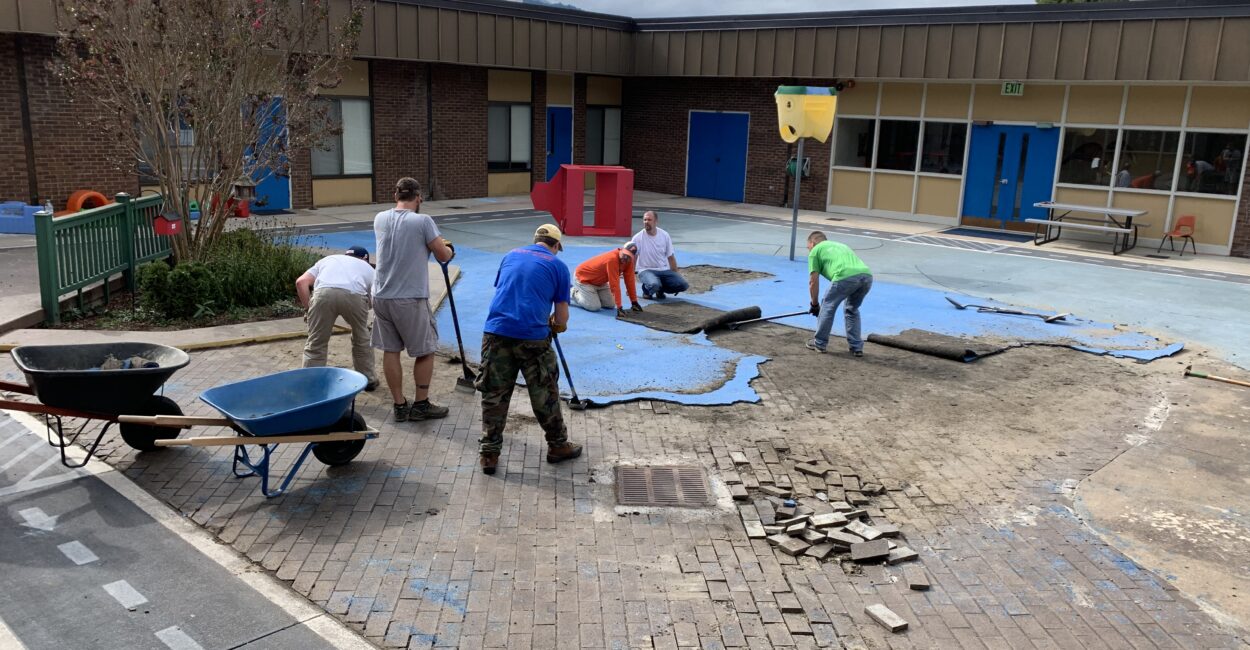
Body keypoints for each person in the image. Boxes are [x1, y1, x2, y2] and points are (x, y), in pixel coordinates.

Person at [476, 224, 583, 475]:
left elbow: (507, 290)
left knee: (494, 394)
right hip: (533, 337)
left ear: (535, 240)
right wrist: (557, 325)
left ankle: (489, 454)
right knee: (545, 393)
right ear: (556, 245)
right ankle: (558, 445)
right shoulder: (558, 266)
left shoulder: (510, 255)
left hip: (496, 332)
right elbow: (562, 317)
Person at [371, 177, 455, 423]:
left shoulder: (380, 218)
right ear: (418, 198)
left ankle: (399, 405)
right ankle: (421, 404)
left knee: (391, 350)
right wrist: (449, 249)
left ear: (395, 196)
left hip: (381, 295)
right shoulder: (423, 221)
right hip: (409, 297)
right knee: (426, 350)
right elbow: (443, 255)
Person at [295, 245, 379, 391]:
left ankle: (310, 382)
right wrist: (362, 312)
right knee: (361, 338)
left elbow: (301, 282)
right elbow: (375, 298)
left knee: (316, 342)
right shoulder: (369, 269)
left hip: (323, 294)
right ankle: (368, 380)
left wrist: (309, 309)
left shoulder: (328, 260)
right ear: (365, 259)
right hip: (355, 296)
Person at [804, 231, 872, 357]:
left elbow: (813, 282)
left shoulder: (815, 251)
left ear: (812, 243)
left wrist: (814, 304)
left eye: (808, 247)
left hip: (845, 276)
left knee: (827, 306)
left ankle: (819, 343)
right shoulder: (841, 245)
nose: (808, 250)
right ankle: (856, 347)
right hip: (866, 276)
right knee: (852, 309)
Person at [631, 211, 689, 300]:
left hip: (664, 270)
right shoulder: (637, 238)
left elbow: (671, 257)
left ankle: (660, 290)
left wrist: (676, 276)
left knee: (683, 284)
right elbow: (633, 260)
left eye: (649, 220)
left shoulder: (664, 235)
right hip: (646, 270)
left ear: (656, 221)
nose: (646, 222)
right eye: (645, 220)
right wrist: (630, 284)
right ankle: (646, 290)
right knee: (654, 284)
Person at [571, 243, 641, 315]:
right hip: (584, 279)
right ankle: (572, 292)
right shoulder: (612, 259)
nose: (625, 258)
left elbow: (630, 281)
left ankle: (591, 295)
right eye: (625, 254)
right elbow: (614, 284)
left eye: (628, 256)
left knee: (610, 305)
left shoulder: (629, 261)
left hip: (600, 282)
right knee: (594, 307)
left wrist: (634, 302)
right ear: (621, 249)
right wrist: (619, 307)